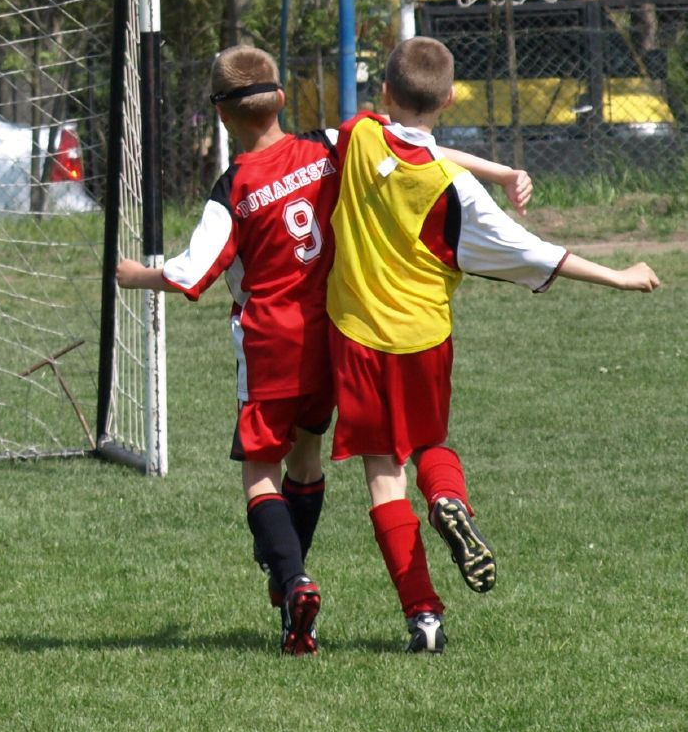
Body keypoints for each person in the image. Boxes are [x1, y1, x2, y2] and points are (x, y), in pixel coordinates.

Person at [116, 44, 530, 656]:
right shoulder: (329, 147)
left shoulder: (232, 188)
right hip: (334, 339)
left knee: (261, 473)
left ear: (221, 115)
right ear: (282, 98)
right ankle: (295, 586)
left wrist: (133, 274)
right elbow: (416, 143)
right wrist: (498, 173)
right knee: (306, 459)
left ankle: (294, 580)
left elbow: (190, 274)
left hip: (268, 347)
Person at [327, 36, 661, 654]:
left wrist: (497, 170)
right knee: (428, 444)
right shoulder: (454, 189)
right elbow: (534, 252)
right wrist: (618, 275)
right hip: (423, 339)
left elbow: (405, 140)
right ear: (450, 98)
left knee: (383, 476)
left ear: (384, 94)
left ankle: (423, 617)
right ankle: (450, 499)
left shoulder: (357, 137)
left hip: (355, 336)